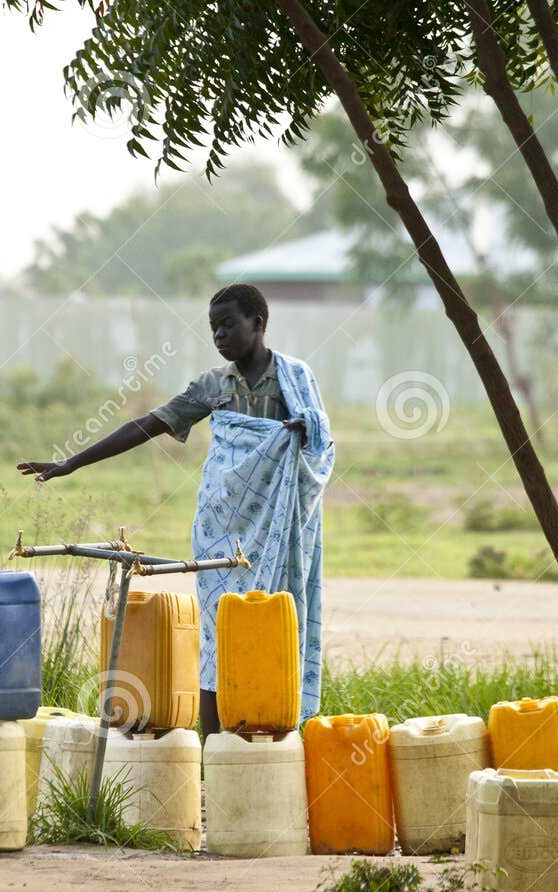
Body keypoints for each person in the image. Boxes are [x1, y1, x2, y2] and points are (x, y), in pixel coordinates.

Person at [18, 283, 334, 735]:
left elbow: (321, 448)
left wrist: (298, 432)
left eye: (229, 324)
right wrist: (72, 462)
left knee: (272, 627)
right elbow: (148, 424)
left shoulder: (294, 379)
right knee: (216, 634)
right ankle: (213, 754)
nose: (220, 335)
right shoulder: (213, 386)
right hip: (221, 526)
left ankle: (274, 740)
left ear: (258, 324)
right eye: (213, 328)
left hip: (280, 532)